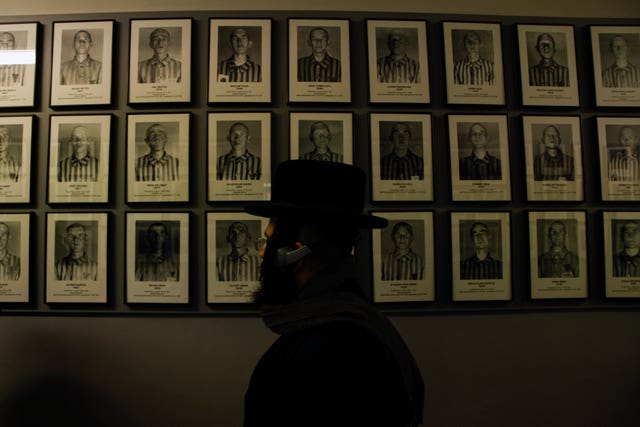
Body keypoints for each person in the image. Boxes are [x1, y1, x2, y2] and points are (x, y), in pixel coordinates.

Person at [243, 160, 424, 427]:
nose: (261, 252)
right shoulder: (361, 326)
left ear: (294, 254)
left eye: (268, 240)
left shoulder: (326, 350)